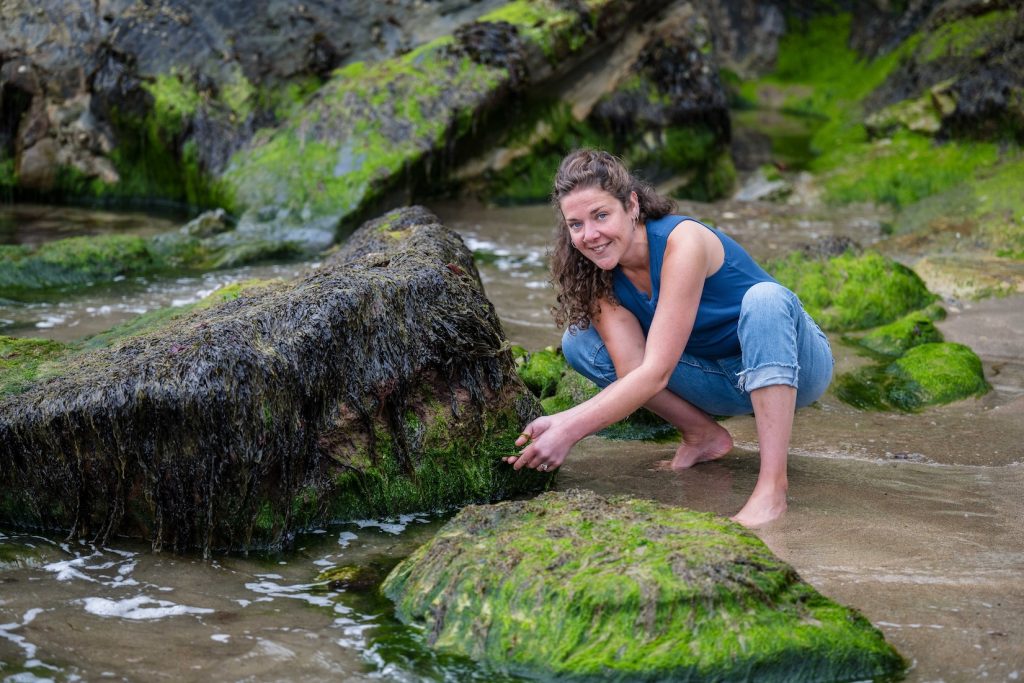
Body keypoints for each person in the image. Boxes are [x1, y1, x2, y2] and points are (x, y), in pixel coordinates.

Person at [504, 149, 833, 527]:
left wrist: (569, 429)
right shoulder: (595, 275)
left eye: (601, 215)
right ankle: (702, 434)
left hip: (792, 366)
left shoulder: (683, 241)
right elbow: (634, 374)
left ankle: (771, 488)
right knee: (580, 344)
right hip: (718, 379)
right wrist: (558, 421)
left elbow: (657, 371)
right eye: (575, 224)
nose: (590, 235)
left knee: (765, 299)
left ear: (631, 205)